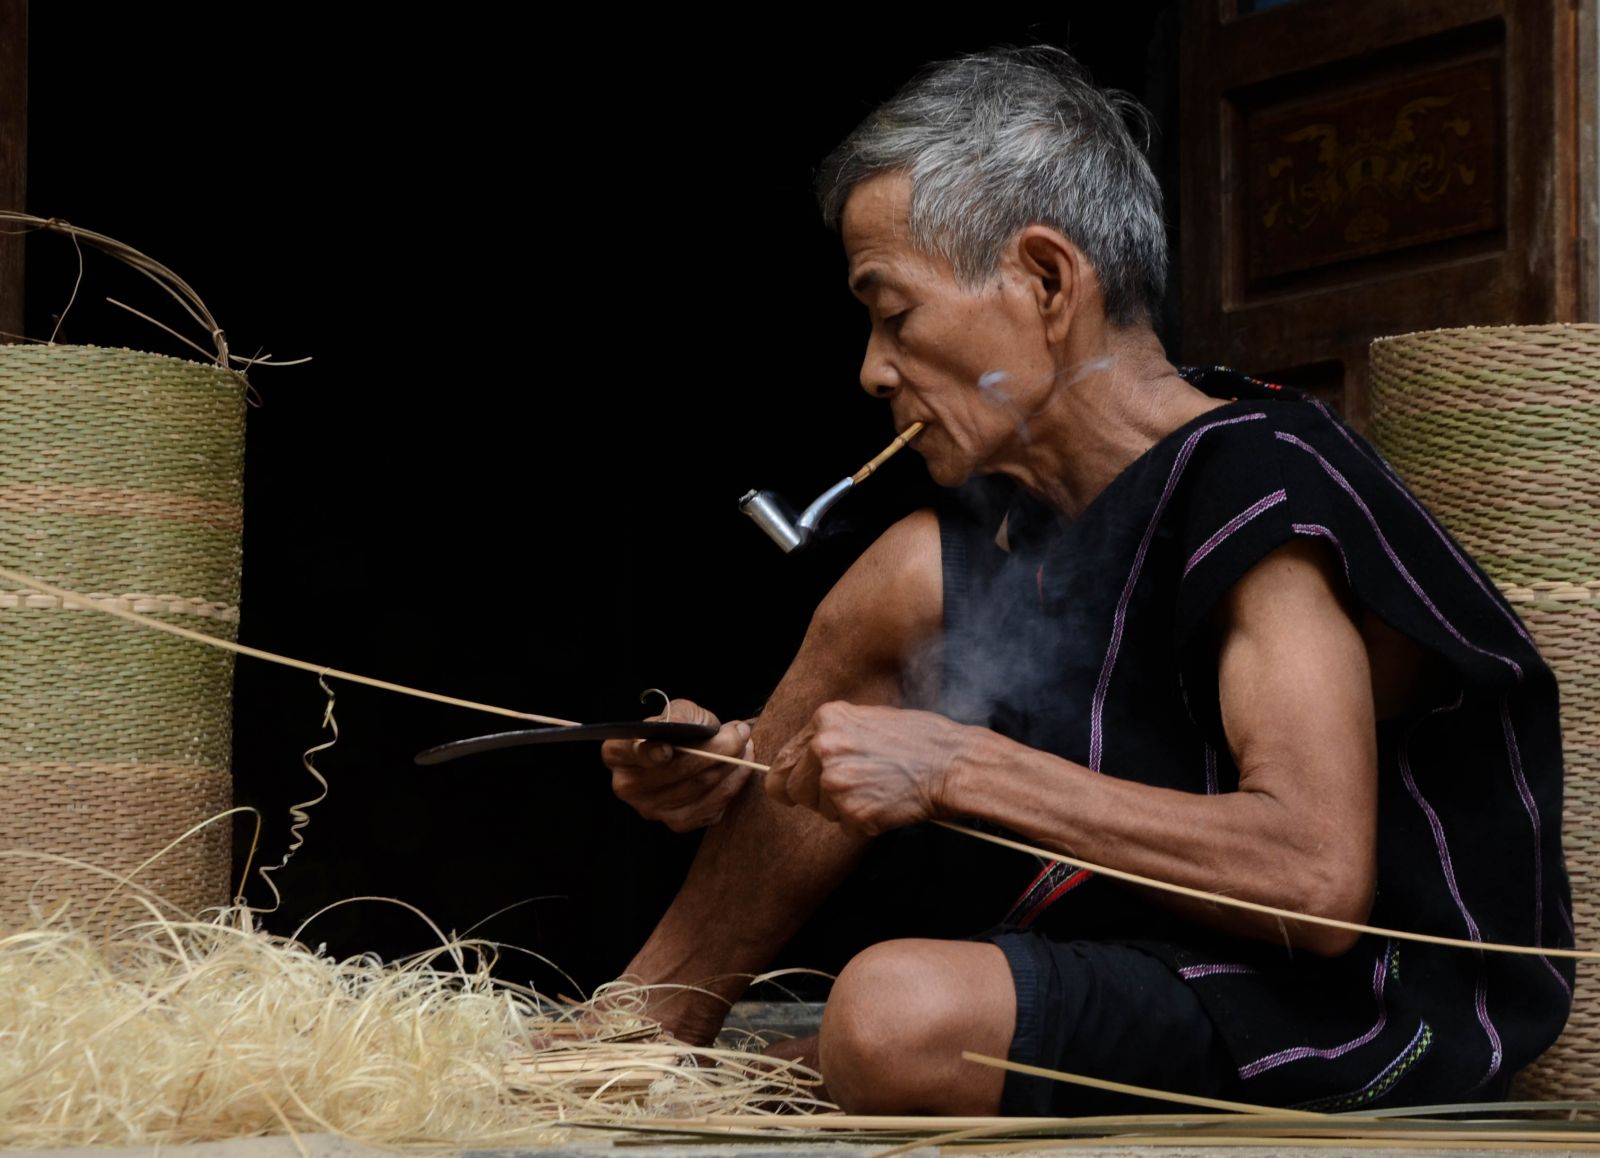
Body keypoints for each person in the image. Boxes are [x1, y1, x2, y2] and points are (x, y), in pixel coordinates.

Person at [601, 46, 1572, 1115]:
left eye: (895, 313)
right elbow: (809, 769)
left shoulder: (1254, 480)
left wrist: (956, 766)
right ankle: (636, 1028)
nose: (873, 370)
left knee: (893, 1012)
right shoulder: (989, 539)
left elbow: (1313, 881)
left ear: (1048, 281)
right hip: (1145, 959)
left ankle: (773, 1072)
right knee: (903, 580)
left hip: (1339, 1010)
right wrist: (724, 770)